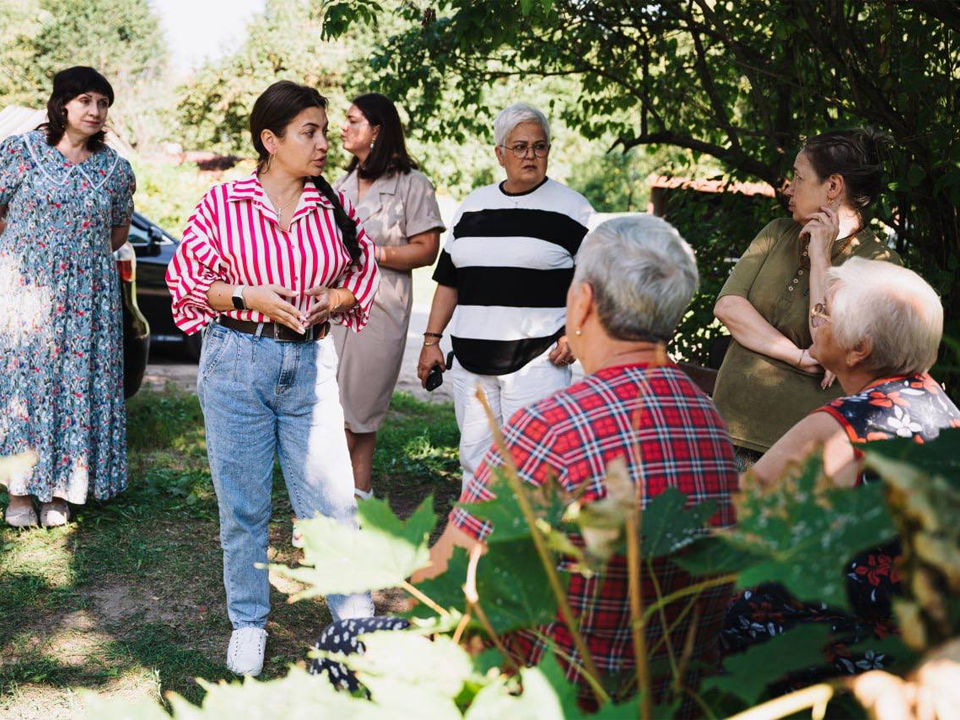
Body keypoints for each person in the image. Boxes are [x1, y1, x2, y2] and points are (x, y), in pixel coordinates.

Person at [314, 216, 738, 713]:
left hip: (556, 688)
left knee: (342, 644)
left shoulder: (553, 426)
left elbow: (447, 579)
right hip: (669, 684)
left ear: (581, 303)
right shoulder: (705, 414)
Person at [165, 81, 380, 677]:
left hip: (310, 366)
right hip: (238, 361)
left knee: (332, 503)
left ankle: (354, 625)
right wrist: (245, 295)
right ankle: (249, 625)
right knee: (244, 507)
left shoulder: (332, 205)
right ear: (270, 139)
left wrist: (331, 299)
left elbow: (364, 277)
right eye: (308, 132)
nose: (322, 143)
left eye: (322, 130)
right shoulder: (222, 203)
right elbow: (187, 283)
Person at [723, 258, 960, 685]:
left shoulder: (846, 425)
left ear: (859, 348)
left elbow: (738, 510)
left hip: (819, 653)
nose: (814, 317)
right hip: (907, 651)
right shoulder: (941, 407)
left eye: (823, 312)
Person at [418, 102, 593, 491]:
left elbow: (597, 284)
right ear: (500, 153)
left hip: (537, 362)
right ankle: (475, 546)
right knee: (476, 462)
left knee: (533, 467)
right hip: (470, 362)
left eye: (539, 146)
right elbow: (449, 280)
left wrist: (576, 333)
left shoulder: (573, 209)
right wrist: (431, 341)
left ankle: (528, 549)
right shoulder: (473, 206)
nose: (530, 155)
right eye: (519, 147)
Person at [712, 129, 901, 470]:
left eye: (799, 178)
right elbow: (728, 307)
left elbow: (829, 340)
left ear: (832, 187)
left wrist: (821, 261)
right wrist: (799, 356)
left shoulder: (878, 264)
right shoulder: (776, 232)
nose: (789, 187)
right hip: (723, 430)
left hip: (798, 454)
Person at [0, 66, 136, 528]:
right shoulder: (20, 152)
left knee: (77, 386)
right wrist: (27, 244)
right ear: (62, 104)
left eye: (103, 103)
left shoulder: (116, 169)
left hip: (88, 297)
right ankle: (19, 494)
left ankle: (62, 489)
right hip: (25, 292)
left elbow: (118, 231)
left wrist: (77, 255)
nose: (96, 111)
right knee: (23, 387)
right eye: (86, 101)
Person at [331, 93, 445, 499]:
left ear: (376, 130)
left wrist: (374, 252)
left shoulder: (411, 185)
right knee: (341, 414)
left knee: (359, 413)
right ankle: (356, 502)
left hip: (380, 312)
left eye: (352, 120)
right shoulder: (339, 185)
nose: (342, 127)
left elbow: (427, 249)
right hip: (334, 310)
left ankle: (323, 506)